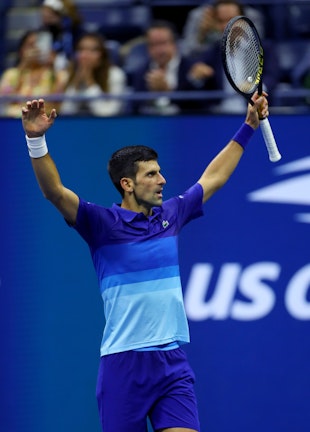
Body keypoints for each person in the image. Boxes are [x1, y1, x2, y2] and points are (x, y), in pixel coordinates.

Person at [21, 91, 268, 431]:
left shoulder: (172, 213)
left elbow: (213, 178)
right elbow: (55, 192)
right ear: (127, 184)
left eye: (160, 172)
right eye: (151, 175)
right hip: (124, 365)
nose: (162, 180)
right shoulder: (100, 223)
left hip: (172, 363)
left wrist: (248, 126)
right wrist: (36, 140)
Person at [188, 0, 279, 113]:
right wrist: (196, 76)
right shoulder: (213, 51)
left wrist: (255, 87)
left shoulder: (264, 48)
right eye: (222, 21)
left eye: (233, 19)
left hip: (255, 111)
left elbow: (272, 77)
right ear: (215, 24)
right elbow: (193, 76)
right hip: (219, 115)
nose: (229, 25)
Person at [129, 20, 215, 115]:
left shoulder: (191, 68)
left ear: (174, 44)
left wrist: (168, 93)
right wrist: (153, 97)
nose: (159, 50)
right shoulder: (141, 73)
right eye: (153, 45)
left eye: (163, 43)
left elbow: (201, 108)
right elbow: (136, 109)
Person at [0, 30, 68, 117]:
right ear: (21, 50)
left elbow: (58, 104)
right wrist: (23, 66)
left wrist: (52, 66)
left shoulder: (58, 74)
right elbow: (4, 101)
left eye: (38, 44)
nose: (35, 49)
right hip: (14, 121)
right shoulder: (11, 74)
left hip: (45, 122)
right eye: (30, 45)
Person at [60, 31, 126, 117]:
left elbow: (108, 113)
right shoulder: (69, 73)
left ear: (102, 55)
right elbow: (66, 112)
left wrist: (89, 82)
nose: (85, 55)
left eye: (92, 50)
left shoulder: (115, 75)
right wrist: (76, 83)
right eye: (81, 50)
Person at [182, 0, 265, 58]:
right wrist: (202, 35)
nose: (227, 25)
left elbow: (256, 49)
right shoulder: (199, 17)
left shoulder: (252, 16)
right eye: (221, 21)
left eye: (232, 19)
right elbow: (187, 54)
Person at [40, 0, 83, 71]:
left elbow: (77, 57)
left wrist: (57, 60)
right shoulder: (45, 31)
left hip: (72, 70)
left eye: (49, 13)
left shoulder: (76, 31)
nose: (44, 16)